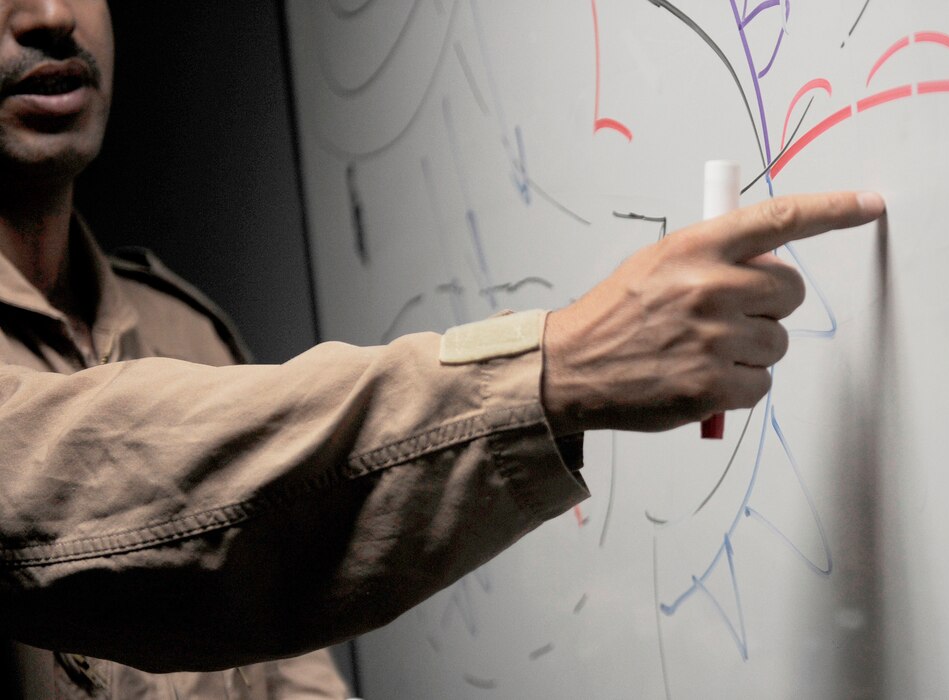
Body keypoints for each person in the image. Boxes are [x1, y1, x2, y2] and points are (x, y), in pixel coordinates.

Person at [0, 0, 885, 696]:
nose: (48, 13)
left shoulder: (186, 334)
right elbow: (66, 476)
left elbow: (281, 673)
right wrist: (557, 366)